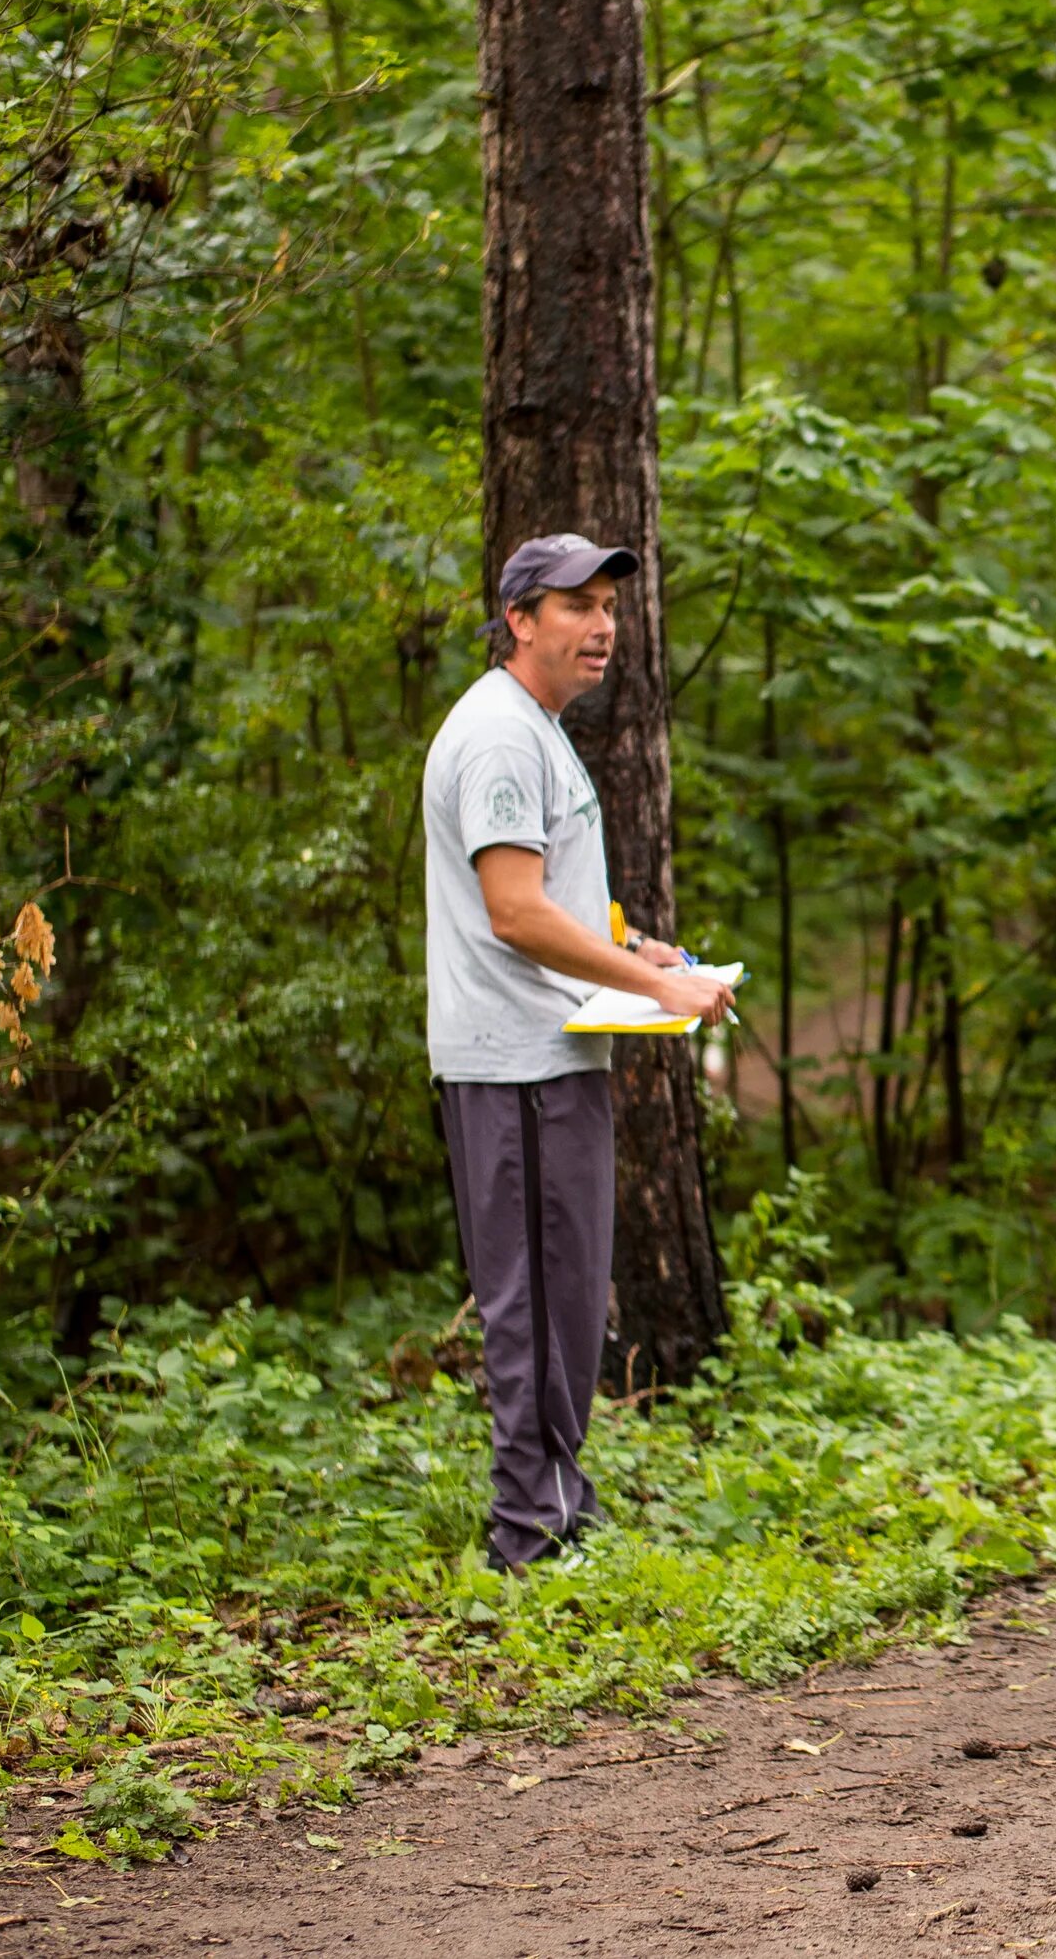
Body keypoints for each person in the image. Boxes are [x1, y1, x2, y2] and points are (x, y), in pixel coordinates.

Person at [423, 533, 736, 1571]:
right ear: (520, 619)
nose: (603, 625)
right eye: (576, 606)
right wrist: (654, 987)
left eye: (608, 604)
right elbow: (513, 913)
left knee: (563, 1294)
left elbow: (549, 897)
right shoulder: (504, 738)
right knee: (538, 1303)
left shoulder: (538, 729)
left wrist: (636, 946)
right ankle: (530, 1534)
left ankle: (555, 1508)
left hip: (550, 1061)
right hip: (516, 1066)